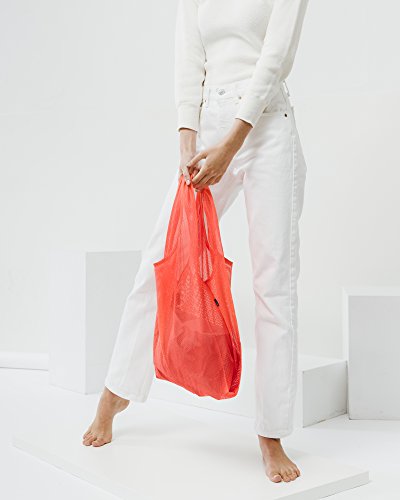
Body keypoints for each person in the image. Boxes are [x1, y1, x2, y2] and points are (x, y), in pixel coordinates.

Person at [83, 0, 309, 484]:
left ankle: (271, 433)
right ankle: (116, 390)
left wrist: (232, 144)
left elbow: (277, 56)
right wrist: (188, 135)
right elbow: (188, 54)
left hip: (267, 128)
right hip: (210, 127)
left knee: (274, 288)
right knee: (159, 262)